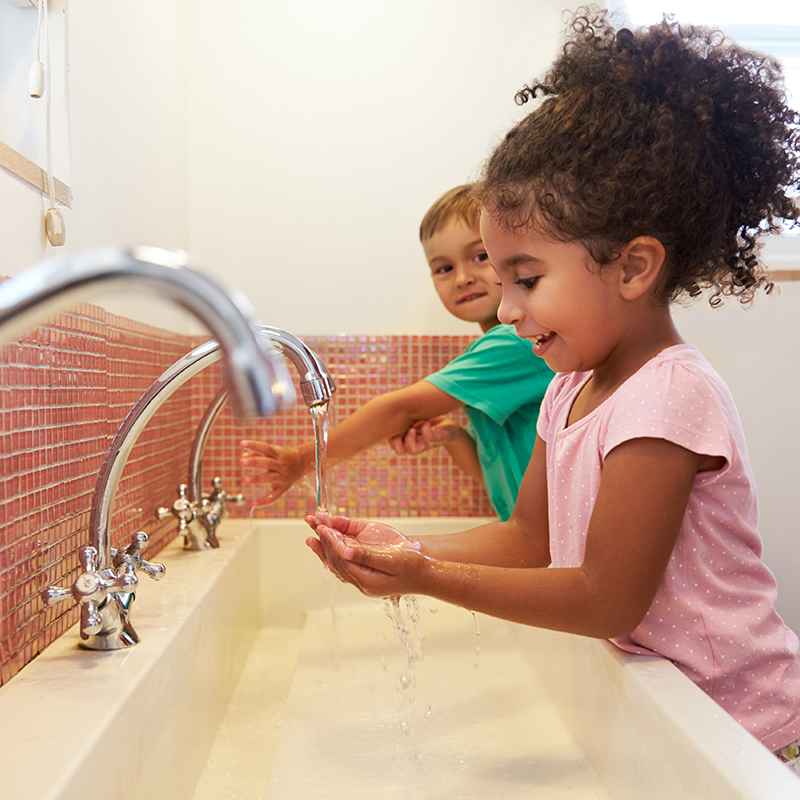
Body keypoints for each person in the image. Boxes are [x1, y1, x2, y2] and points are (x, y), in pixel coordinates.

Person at [305, 9, 800, 767]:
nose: (506, 309)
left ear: (634, 267)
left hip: (750, 737)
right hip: (671, 722)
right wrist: (404, 550)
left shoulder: (669, 396)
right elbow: (528, 539)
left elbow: (607, 597)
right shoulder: (568, 390)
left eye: (526, 279)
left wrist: (428, 577)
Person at [240, 186, 553, 521]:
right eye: (443, 268)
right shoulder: (502, 348)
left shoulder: (515, 343)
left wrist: (301, 461)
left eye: (480, 257)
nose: (462, 278)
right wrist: (453, 436)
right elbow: (498, 482)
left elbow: (402, 409)